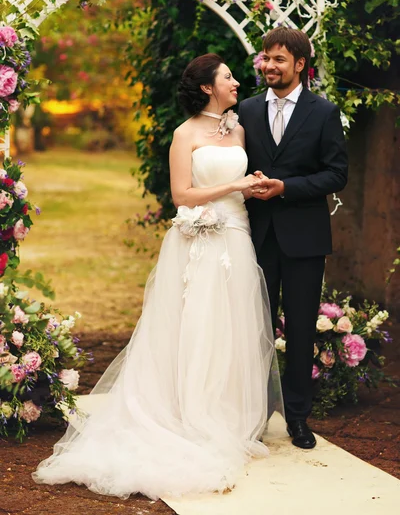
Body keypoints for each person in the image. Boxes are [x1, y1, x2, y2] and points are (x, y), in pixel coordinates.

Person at [33, 54, 284, 500]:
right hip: (200, 241)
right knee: (197, 325)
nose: (235, 81)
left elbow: (245, 180)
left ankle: (228, 416)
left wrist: (255, 183)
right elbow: (182, 195)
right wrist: (234, 185)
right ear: (207, 87)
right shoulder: (183, 135)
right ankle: (188, 413)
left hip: (237, 236)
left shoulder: (240, 129)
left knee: (234, 326)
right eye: (227, 76)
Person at [239, 27, 348, 449]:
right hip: (256, 237)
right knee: (254, 329)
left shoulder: (323, 112)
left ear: (300, 65)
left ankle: (298, 419)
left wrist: (286, 186)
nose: (268, 66)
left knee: (301, 330)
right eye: (266, 58)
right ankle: (254, 415)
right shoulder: (245, 111)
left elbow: (336, 174)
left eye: (279, 59)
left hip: (305, 238)